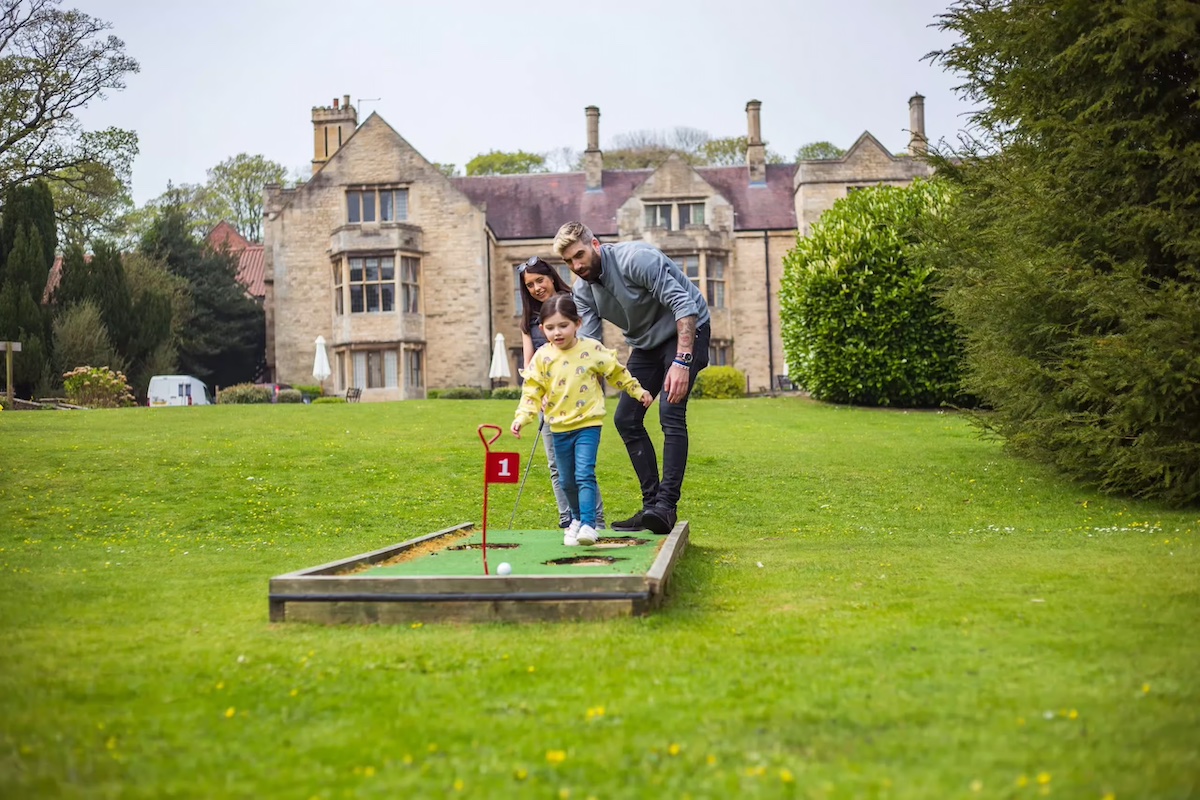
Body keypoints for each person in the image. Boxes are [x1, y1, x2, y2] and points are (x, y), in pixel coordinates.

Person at [553, 221, 711, 536]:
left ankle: (666, 505)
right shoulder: (583, 291)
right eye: (569, 261)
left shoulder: (636, 259)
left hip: (688, 330)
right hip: (645, 345)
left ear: (595, 244)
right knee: (626, 418)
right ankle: (652, 505)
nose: (577, 265)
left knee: (670, 410)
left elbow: (685, 306)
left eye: (580, 255)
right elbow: (590, 351)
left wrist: (682, 360)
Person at [511, 293, 652, 547]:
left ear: (578, 323)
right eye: (551, 328)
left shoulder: (592, 350)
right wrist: (522, 417)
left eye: (563, 325)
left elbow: (616, 372)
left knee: (584, 473)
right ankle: (575, 520)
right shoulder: (542, 357)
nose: (557, 332)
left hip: (588, 424)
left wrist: (638, 391)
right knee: (565, 480)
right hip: (558, 427)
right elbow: (531, 390)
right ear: (542, 329)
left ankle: (588, 524)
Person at [517, 257, 607, 530]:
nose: (536, 288)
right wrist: (538, 394)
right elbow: (530, 364)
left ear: (552, 277)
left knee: (582, 470)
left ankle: (596, 522)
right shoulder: (529, 320)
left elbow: (591, 349)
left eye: (539, 280)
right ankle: (568, 519)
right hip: (549, 403)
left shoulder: (574, 302)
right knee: (557, 467)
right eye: (529, 285)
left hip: (578, 399)